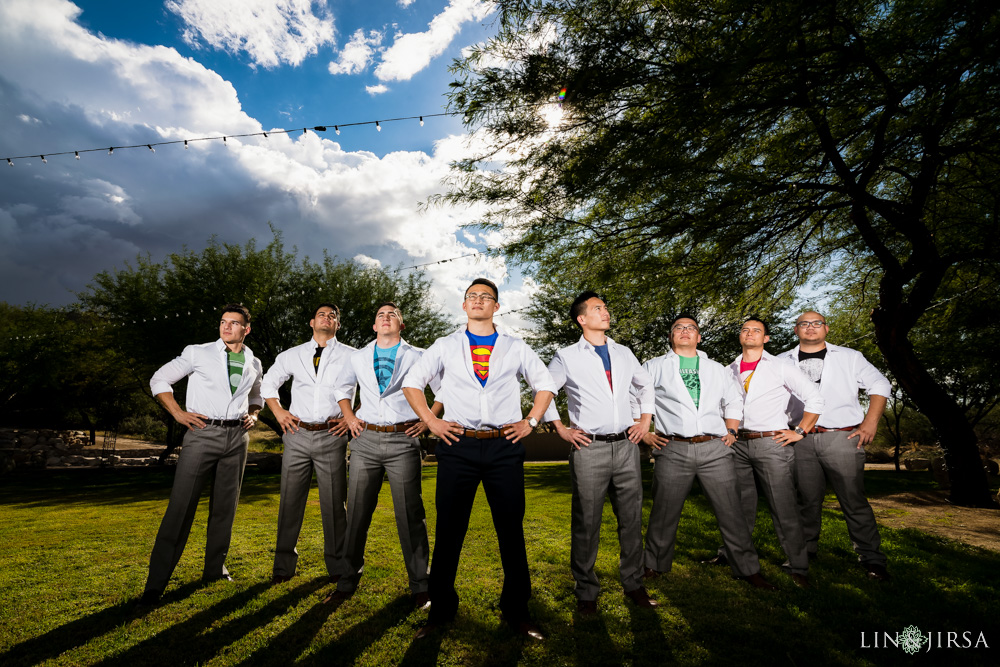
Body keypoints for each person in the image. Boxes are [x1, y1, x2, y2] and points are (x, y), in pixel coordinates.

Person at [402, 278, 557, 640]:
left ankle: (516, 611)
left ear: (496, 307)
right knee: (450, 531)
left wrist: (531, 421)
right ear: (464, 305)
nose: (478, 301)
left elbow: (545, 384)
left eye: (485, 297)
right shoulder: (445, 345)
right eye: (472, 296)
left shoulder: (515, 346)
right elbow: (413, 383)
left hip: (504, 445)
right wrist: (431, 421)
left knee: (510, 530)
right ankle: (441, 612)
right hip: (458, 446)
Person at [641, 316, 777, 590]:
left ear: (699, 337)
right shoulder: (653, 366)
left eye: (691, 328)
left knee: (732, 511)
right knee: (664, 512)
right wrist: (643, 431)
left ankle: (748, 569)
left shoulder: (717, 369)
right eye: (678, 328)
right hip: (672, 447)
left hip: (715, 448)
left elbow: (734, 399)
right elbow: (637, 398)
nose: (685, 331)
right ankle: (654, 564)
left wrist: (732, 430)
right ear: (671, 336)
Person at [140, 304, 263, 604]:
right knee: (180, 509)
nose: (226, 327)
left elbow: (256, 396)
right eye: (223, 322)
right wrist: (178, 413)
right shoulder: (198, 352)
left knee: (225, 508)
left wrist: (255, 415)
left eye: (234, 323)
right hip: (202, 434)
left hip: (238, 438)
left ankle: (214, 570)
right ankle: (155, 585)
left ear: (246, 329)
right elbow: (159, 379)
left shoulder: (254, 361)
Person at [544, 292, 658, 614]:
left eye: (605, 307)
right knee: (587, 523)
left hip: (626, 447)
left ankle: (634, 584)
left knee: (631, 520)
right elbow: (546, 391)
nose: (605, 312)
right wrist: (561, 429)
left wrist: (645, 421)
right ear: (582, 319)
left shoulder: (623, 352)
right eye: (597, 308)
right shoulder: (566, 356)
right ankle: (586, 592)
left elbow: (644, 385)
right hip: (588, 448)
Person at [327, 302, 442, 607]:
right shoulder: (358, 356)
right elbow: (342, 388)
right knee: (357, 515)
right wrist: (349, 416)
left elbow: (442, 390)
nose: (386, 317)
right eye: (380, 315)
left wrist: (427, 420)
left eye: (393, 315)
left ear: (401, 326)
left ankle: (420, 586)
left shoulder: (418, 355)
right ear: (374, 326)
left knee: (410, 515)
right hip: (365, 441)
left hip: (403, 440)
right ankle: (347, 579)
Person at [778, 311, 892, 581]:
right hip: (800, 439)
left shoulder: (849, 357)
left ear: (826, 329)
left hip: (842, 437)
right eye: (804, 324)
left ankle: (872, 559)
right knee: (806, 500)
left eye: (817, 323)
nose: (811, 327)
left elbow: (880, 384)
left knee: (853, 500)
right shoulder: (782, 360)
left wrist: (870, 423)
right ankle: (805, 552)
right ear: (796, 330)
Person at [719, 317, 824, 588]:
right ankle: (732, 556)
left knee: (783, 506)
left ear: (766, 338)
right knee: (738, 507)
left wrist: (799, 431)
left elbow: (814, 397)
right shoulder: (726, 369)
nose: (750, 333)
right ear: (740, 336)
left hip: (772, 443)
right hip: (737, 444)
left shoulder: (780, 366)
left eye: (757, 330)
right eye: (745, 329)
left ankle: (798, 565)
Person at [261, 303, 355, 586]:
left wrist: (354, 417)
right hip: (297, 435)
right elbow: (268, 383)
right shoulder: (292, 355)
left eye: (333, 316)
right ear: (311, 322)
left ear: (338, 324)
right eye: (322, 314)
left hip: (332, 435)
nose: (328, 318)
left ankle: (338, 565)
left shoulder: (353, 355)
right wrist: (278, 413)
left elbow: (374, 387)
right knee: (290, 501)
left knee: (334, 504)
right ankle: (283, 566)